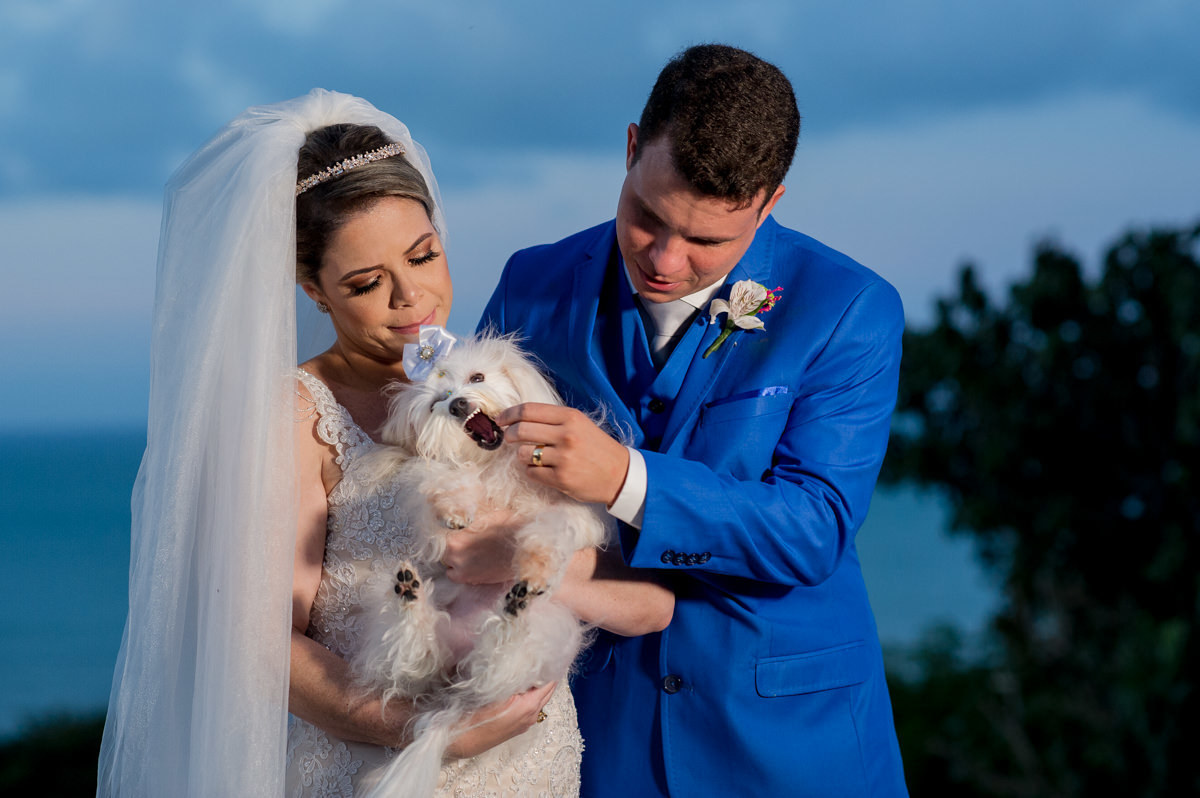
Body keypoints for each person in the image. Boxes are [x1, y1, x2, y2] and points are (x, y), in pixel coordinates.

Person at [97, 89, 672, 797]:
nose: (413, 301)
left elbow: (640, 596)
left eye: (424, 256)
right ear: (313, 288)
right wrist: (422, 731)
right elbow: (260, 640)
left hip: (531, 764)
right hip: (373, 765)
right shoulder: (298, 415)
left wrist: (527, 562)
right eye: (368, 283)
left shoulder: (499, 380)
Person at [479, 45, 909, 796]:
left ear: (770, 201)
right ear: (631, 147)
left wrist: (625, 478)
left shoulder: (851, 310)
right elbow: (468, 469)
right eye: (646, 216)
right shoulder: (532, 284)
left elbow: (813, 527)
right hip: (592, 735)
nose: (666, 260)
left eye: (708, 241)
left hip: (789, 741)